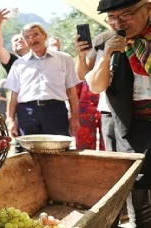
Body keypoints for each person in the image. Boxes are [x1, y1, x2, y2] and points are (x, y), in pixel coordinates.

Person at [84, 0, 151, 226]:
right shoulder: (109, 42)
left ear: (148, 8)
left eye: (126, 15)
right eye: (112, 18)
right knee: (137, 182)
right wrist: (106, 56)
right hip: (132, 124)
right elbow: (96, 86)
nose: (118, 23)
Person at [5, 22, 80, 138]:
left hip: (55, 111)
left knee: (57, 151)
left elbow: (71, 91)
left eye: (35, 35)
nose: (32, 40)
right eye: (27, 37)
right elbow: (13, 95)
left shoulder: (64, 59)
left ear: (45, 35)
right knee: (30, 153)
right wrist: (10, 119)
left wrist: (75, 117)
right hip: (27, 113)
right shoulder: (18, 64)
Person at [0, 9, 30, 74]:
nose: (19, 40)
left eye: (22, 38)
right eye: (16, 40)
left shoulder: (40, 57)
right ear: (12, 47)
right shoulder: (12, 61)